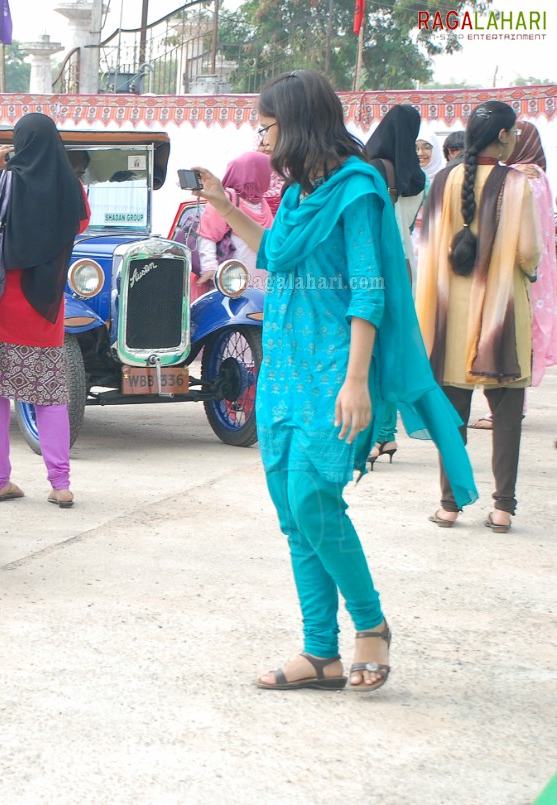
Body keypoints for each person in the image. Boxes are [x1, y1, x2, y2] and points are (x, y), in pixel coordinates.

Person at [192, 70, 475, 692]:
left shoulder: (356, 190)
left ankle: (370, 626)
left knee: (316, 502)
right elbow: (273, 253)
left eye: (266, 126)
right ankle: (319, 650)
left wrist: (356, 383)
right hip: (284, 370)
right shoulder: (295, 198)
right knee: (293, 511)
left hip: (332, 372)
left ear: (295, 124)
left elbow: (368, 292)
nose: (260, 140)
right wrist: (219, 203)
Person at [0, 113, 89, 509]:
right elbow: (79, 225)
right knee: (49, 398)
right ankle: (60, 484)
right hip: (41, 315)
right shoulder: (74, 191)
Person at [415, 101, 540, 534]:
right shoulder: (516, 184)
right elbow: (527, 253)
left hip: (449, 316)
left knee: (452, 415)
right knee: (506, 414)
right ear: (503, 137)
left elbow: (425, 249)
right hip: (501, 314)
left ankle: (449, 506)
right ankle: (503, 508)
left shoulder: (442, 181)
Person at [468, 120, 556, 431]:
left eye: (516, 136)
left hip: (521, 265)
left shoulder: (522, 178)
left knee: (515, 335)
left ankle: (509, 410)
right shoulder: (539, 175)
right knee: (525, 333)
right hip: (538, 266)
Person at [363, 104, 429, 468]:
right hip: (405, 266)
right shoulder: (418, 177)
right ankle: (385, 435)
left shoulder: (373, 170)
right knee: (388, 350)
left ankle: (376, 434)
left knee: (369, 352)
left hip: (375, 264)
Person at [194, 151, 274, 300]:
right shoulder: (226, 198)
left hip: (259, 286)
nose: (270, 177)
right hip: (232, 284)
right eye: (267, 172)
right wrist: (210, 268)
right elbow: (207, 235)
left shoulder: (262, 203)